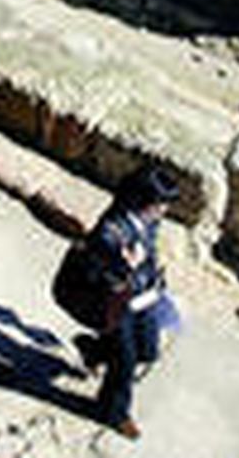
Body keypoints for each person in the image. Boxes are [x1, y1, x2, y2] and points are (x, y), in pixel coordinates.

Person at [73, 167, 181, 441]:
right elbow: (97, 271)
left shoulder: (149, 219)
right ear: (145, 202)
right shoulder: (111, 232)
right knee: (125, 360)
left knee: (148, 350)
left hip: (143, 296)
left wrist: (150, 276)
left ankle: (95, 350)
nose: (165, 210)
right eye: (162, 204)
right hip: (114, 300)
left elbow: (150, 249)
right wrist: (124, 267)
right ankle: (113, 412)